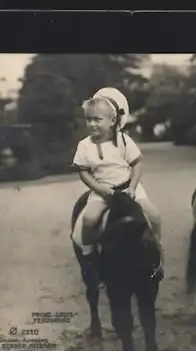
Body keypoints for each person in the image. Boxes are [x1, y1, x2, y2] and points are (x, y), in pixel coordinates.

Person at [71, 87, 164, 269]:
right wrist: (99, 189)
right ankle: (89, 255)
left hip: (129, 188)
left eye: (97, 120)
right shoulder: (84, 145)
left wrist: (132, 187)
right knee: (89, 219)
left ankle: (156, 250)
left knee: (154, 216)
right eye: (88, 120)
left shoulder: (124, 141)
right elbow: (84, 172)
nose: (92, 124)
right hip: (103, 191)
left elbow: (137, 164)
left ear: (112, 120)